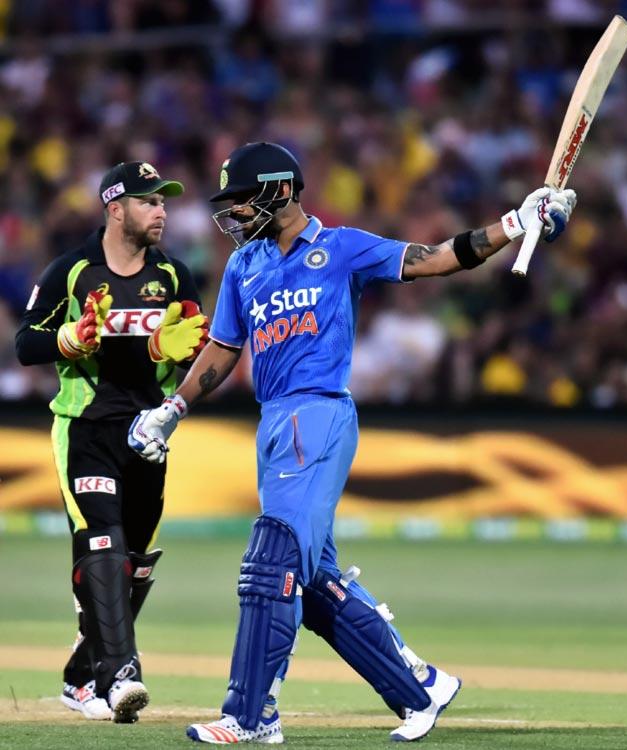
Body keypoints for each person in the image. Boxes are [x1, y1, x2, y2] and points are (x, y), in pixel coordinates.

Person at [128, 142, 576, 744]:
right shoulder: (245, 266)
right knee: (310, 583)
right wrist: (174, 407)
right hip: (273, 425)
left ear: (281, 191)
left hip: (319, 415)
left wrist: (516, 223)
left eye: (242, 200)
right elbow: (223, 348)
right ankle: (420, 689)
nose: (233, 214)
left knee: (272, 561)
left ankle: (251, 716)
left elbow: (436, 259)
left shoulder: (339, 248)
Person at [15, 161, 209, 723]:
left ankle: (81, 678)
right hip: (86, 429)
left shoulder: (172, 274)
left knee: (133, 563)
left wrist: (170, 350)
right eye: (150, 201)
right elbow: (26, 343)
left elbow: (199, 343)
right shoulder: (72, 271)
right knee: (102, 542)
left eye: (165, 202)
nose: (163, 211)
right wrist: (70, 340)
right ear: (116, 208)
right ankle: (121, 675)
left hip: (147, 434)